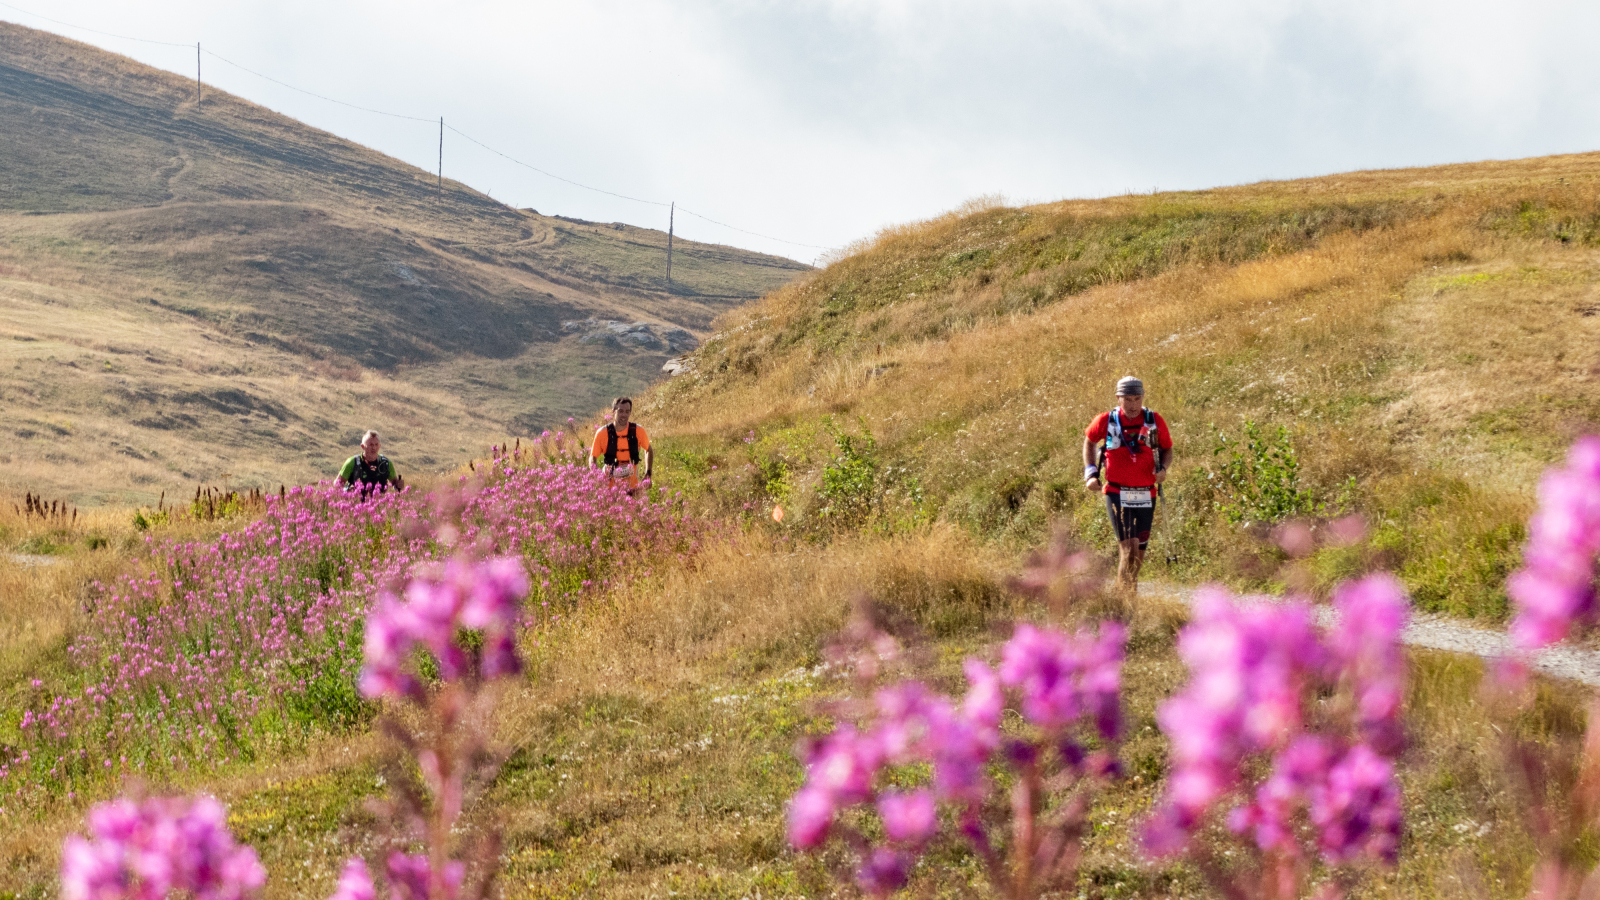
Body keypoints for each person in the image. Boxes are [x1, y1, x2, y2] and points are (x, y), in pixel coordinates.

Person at [1083, 377, 1173, 594]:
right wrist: (1091, 472)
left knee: (1139, 552)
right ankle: (1127, 602)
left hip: (1146, 493)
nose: (1133, 405)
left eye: (1137, 399)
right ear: (1118, 398)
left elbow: (1168, 449)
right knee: (1128, 547)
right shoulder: (1106, 420)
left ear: (1142, 397)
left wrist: (1163, 470)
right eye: (1127, 399)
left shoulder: (1154, 420)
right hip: (1116, 491)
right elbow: (1089, 441)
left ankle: (1122, 594)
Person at [590, 397, 652, 494]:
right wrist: (596, 476)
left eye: (627, 411)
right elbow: (593, 457)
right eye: (621, 411)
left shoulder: (638, 431)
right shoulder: (602, 433)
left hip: (633, 489)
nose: (624, 415)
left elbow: (649, 450)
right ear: (613, 412)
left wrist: (648, 473)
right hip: (609, 490)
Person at [338, 430, 403, 493]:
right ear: (362, 446)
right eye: (371, 445)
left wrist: (399, 485)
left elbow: (395, 483)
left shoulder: (386, 463)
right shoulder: (352, 462)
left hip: (380, 502)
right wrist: (346, 491)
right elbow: (337, 484)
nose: (374, 448)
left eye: (376, 444)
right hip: (356, 501)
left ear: (379, 446)